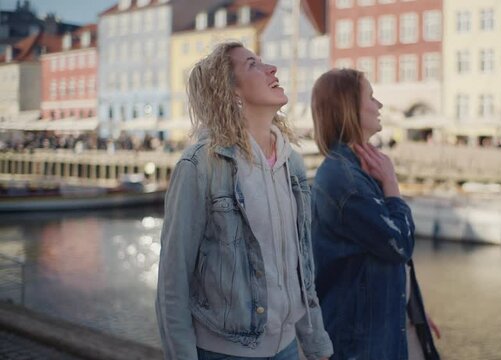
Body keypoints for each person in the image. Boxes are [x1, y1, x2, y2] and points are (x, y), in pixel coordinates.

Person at [156, 41, 333, 360]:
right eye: (253, 65)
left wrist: (316, 344)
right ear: (232, 91)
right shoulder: (200, 165)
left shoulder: (291, 162)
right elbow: (173, 283)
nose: (272, 69)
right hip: (226, 352)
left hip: (288, 348)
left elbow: (301, 267)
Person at [309, 68, 440, 360]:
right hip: (363, 346)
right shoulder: (346, 181)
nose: (379, 105)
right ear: (349, 107)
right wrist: (392, 185)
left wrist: (413, 312)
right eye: (371, 96)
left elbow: (382, 260)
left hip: (380, 334)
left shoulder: (357, 170)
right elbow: (400, 244)